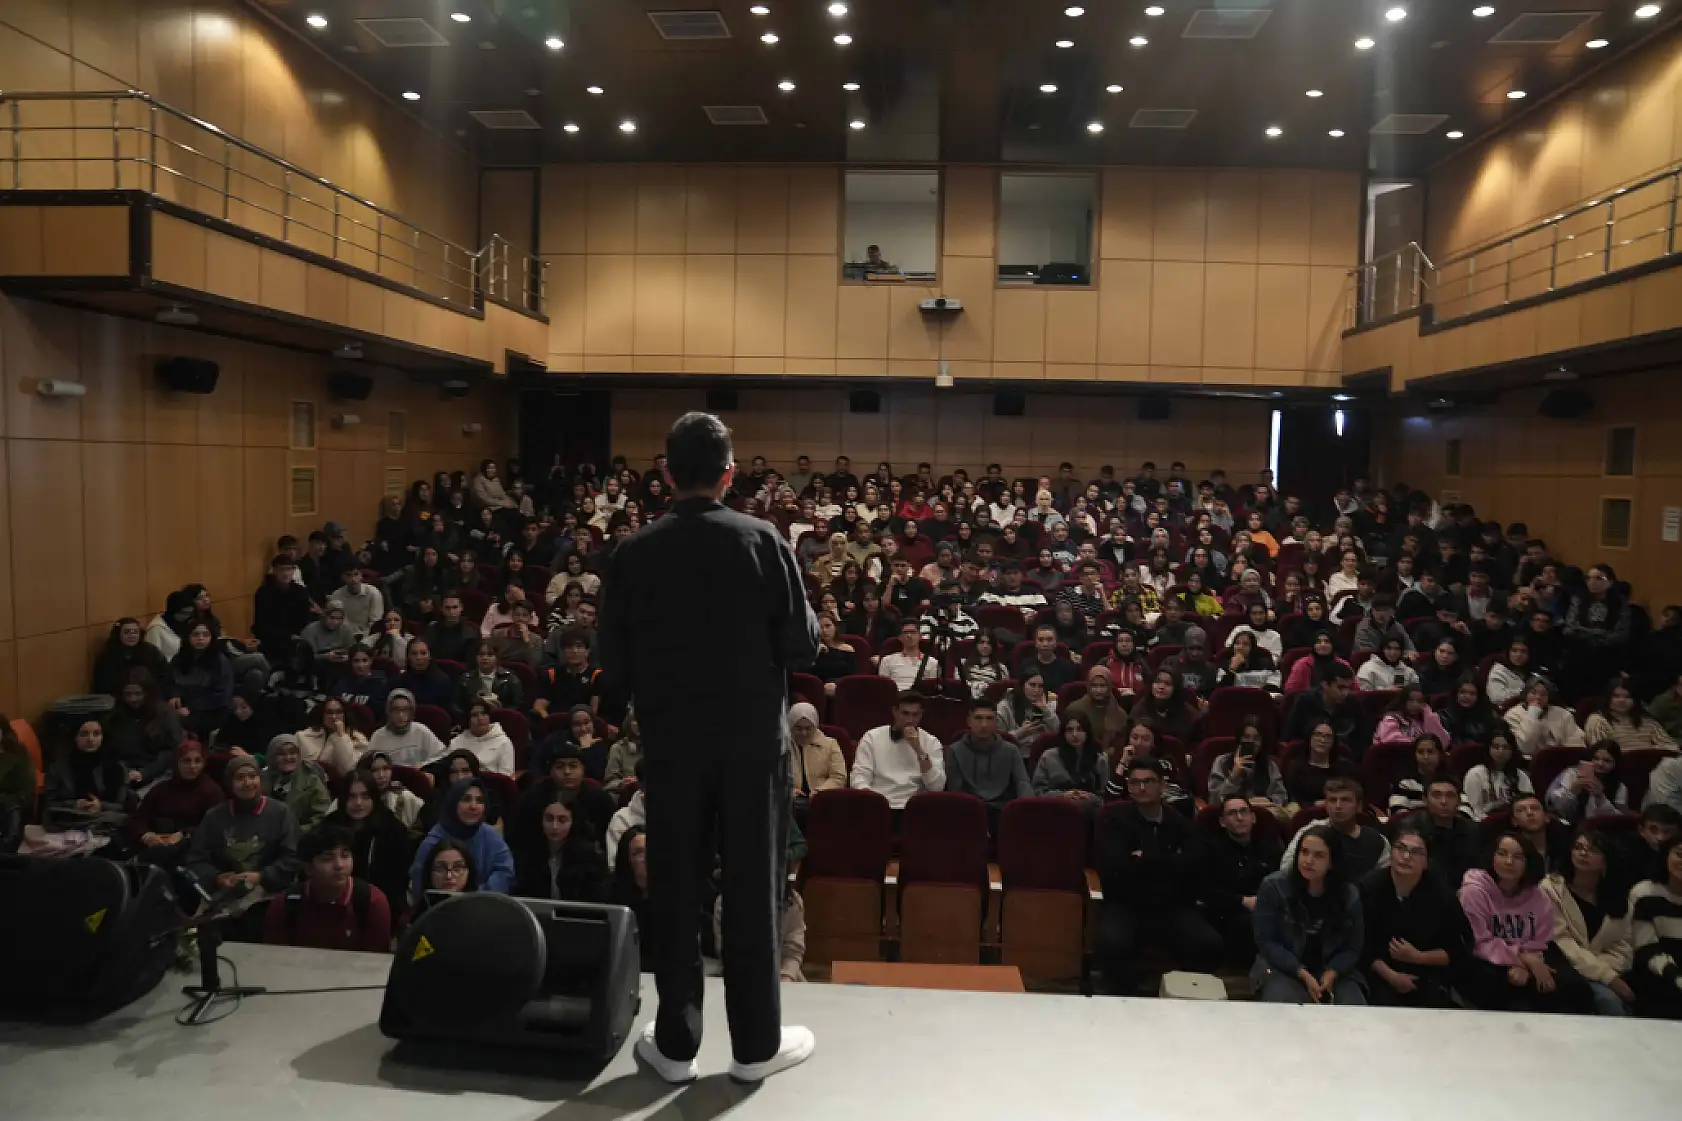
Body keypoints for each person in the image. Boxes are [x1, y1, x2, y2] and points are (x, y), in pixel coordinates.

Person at [599, 417, 820, 1079]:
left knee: (674, 887)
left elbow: (612, 668)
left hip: (672, 746)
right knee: (753, 889)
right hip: (752, 746)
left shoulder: (633, 551)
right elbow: (802, 646)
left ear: (667, 474)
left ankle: (675, 1046)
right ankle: (755, 1048)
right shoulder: (764, 540)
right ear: (729, 473)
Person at [1096, 756, 1223, 994]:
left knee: (1208, 943)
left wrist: (1146, 859)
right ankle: (1125, 998)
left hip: (1172, 905)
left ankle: (1183, 995)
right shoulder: (1113, 820)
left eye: (1149, 781)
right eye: (1135, 782)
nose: (1141, 788)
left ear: (1162, 785)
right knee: (1112, 944)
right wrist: (1170, 860)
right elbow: (1116, 866)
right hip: (1127, 904)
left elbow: (1195, 862)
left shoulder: (1180, 822)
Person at [1456, 832, 1594, 1013]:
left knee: (1575, 989)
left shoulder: (1538, 896)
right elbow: (1479, 942)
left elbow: (1540, 940)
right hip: (1485, 960)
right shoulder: (1474, 891)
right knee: (1513, 996)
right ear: (1492, 857)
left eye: (1517, 857)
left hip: (1531, 955)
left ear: (1528, 862)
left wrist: (1530, 965)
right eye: (1502, 854)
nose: (1508, 861)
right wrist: (1522, 960)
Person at [185, 755, 301, 938]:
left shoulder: (281, 813)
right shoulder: (214, 817)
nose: (247, 783)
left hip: (268, 893)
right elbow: (196, 860)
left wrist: (261, 876)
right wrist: (217, 878)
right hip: (223, 894)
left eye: (252, 776)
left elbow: (292, 858)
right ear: (229, 783)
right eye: (240, 778)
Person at [1358, 820, 1468, 1008]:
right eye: (1400, 848)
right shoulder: (1369, 888)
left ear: (1427, 862)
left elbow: (1457, 950)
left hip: (1428, 975)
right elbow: (1362, 947)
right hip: (1380, 975)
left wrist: (1418, 957)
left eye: (1416, 852)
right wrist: (1392, 977)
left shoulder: (1442, 895)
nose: (1406, 856)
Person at [1251, 825, 1366, 1004]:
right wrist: (1301, 973)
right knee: (1288, 1006)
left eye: (1319, 855)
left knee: (1354, 1008)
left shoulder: (1349, 894)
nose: (1308, 861)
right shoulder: (1273, 886)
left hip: (1332, 969)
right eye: (1304, 852)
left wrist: (1333, 971)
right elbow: (1266, 942)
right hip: (1282, 967)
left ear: (1332, 861)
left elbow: (1353, 947)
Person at [1542, 827, 1636, 1016]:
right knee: (1608, 1001)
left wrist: (1603, 972)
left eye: (1593, 850)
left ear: (1606, 861)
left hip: (1608, 970)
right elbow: (1563, 942)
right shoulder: (1550, 889)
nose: (1583, 853)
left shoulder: (1619, 899)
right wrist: (1607, 977)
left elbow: (1623, 947)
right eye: (1578, 847)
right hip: (1566, 967)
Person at [263, 825, 393, 952]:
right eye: (327, 859)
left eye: (345, 856)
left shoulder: (372, 901)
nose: (339, 865)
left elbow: (377, 960)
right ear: (308, 868)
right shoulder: (285, 904)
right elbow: (276, 957)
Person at [320, 769, 413, 920]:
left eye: (365, 796)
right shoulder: (329, 827)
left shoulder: (392, 829)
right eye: (352, 796)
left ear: (374, 798)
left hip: (379, 906)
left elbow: (399, 881)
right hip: (332, 904)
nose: (358, 803)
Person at [1201, 796, 1284, 964]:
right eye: (1232, 813)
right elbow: (1205, 890)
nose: (1239, 817)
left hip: (1267, 906)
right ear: (1222, 822)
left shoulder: (1269, 848)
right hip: (1229, 912)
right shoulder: (1210, 850)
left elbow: (1280, 882)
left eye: (1243, 811)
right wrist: (1242, 901)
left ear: (1253, 818)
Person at [410, 776, 515, 902]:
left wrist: (476, 897)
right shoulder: (433, 841)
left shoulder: (491, 835)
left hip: (486, 905)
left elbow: (505, 872)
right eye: (466, 799)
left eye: (480, 801)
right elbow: (419, 884)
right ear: (453, 803)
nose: (473, 806)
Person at [128, 739, 224, 866]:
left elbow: (216, 826)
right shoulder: (162, 790)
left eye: (197, 761)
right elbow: (138, 818)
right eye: (186, 761)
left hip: (192, 849)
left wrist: (184, 835)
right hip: (158, 842)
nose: (192, 766)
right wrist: (147, 835)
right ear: (176, 763)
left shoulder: (211, 791)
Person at [943, 699, 1032, 834]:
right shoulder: (955, 750)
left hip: (1003, 811)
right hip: (969, 812)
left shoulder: (1011, 750)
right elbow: (956, 790)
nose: (984, 725)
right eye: (978, 718)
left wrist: (1027, 809)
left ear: (996, 721)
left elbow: (1022, 783)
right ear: (969, 721)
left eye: (989, 719)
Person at [850, 691, 946, 812]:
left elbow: (937, 787)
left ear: (921, 714)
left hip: (915, 808)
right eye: (905, 714)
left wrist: (919, 750)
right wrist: (870, 799)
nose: (910, 720)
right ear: (894, 711)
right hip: (878, 805)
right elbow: (859, 776)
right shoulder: (872, 737)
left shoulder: (931, 742)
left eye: (915, 714)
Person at [1281, 777, 1390, 879]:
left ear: (1358, 806)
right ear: (1326, 805)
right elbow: (1285, 869)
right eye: (1332, 800)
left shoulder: (1376, 841)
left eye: (1345, 800)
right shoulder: (1310, 832)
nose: (1338, 806)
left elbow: (1385, 880)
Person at [512, 793, 609, 902]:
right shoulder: (527, 853)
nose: (554, 826)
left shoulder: (589, 856)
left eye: (562, 820)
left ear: (573, 822)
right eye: (549, 819)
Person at [1627, 834, 1682, 1019]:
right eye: (1679, 854)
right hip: (1656, 974)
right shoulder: (1644, 893)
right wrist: (1677, 978)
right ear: (1666, 855)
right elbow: (1646, 948)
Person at [42, 718, 131, 827]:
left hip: (105, 821)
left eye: (96, 734)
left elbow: (121, 805)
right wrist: (74, 805)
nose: (90, 739)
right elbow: (50, 803)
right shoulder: (58, 768)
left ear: (103, 737)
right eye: (84, 734)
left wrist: (101, 806)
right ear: (75, 737)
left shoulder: (116, 767)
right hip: (68, 821)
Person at [105, 668, 184, 783]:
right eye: (127, 694)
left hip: (158, 771)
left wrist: (145, 773)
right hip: (123, 770)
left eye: (138, 693)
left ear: (148, 693)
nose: (132, 699)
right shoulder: (115, 715)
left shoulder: (165, 714)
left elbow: (171, 751)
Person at [1283, 664, 1369, 757]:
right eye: (1340, 688)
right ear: (1325, 685)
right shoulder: (1305, 702)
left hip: (1343, 758)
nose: (1345, 693)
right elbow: (1292, 737)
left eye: (1348, 688)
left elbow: (1362, 739)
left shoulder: (1353, 704)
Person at [171, 621, 235, 740]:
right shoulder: (178, 659)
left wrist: (191, 708)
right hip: (183, 707)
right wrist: (175, 696)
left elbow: (221, 695)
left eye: (205, 635)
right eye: (195, 634)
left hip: (212, 710)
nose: (200, 638)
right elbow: (172, 682)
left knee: (179, 722)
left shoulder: (219, 661)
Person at [1207, 716, 1287, 810]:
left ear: (1262, 743)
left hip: (1261, 813)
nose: (1251, 742)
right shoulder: (1221, 762)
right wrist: (1234, 777)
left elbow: (1282, 796)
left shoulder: (1270, 766)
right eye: (1246, 737)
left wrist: (1268, 800)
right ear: (1239, 739)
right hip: (1231, 813)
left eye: (1256, 738)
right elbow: (1214, 801)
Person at [1031, 711, 1107, 806]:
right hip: (1055, 807)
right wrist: (1063, 796)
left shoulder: (1100, 760)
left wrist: (1089, 797)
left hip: (1089, 809)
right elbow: (1038, 792)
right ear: (1063, 733)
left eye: (1079, 729)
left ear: (1087, 732)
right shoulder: (1048, 757)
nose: (1074, 734)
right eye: (1069, 730)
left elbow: (1104, 797)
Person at [1546, 740, 1627, 824]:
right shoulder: (1572, 774)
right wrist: (1572, 791)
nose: (1600, 764)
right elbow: (1555, 806)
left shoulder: (1620, 787)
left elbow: (1620, 820)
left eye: (1607, 761)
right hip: (1570, 825)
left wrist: (1600, 798)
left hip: (1602, 828)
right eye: (1596, 758)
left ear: (1615, 763)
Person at [1283, 719, 1359, 808]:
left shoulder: (1346, 768)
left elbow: (1355, 796)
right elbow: (1293, 800)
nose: (1322, 740)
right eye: (1318, 735)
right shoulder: (1296, 768)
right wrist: (1314, 804)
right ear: (1310, 738)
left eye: (1328, 736)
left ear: (1333, 741)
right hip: (1307, 812)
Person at [262, 734, 331, 832]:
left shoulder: (312, 780)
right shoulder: (261, 779)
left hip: (303, 835)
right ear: (272, 757)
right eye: (281, 754)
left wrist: (295, 833)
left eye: (292, 752)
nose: (288, 757)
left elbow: (321, 815)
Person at [1583, 681, 1676, 754]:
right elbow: (1600, 753)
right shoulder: (1598, 720)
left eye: (1627, 697)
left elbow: (1672, 747)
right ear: (1608, 699)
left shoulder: (1648, 722)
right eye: (1616, 696)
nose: (1622, 700)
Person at [1504, 678, 1586, 758]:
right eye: (1533, 693)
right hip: (1531, 761)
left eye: (1543, 694)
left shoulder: (1562, 713)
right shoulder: (1512, 715)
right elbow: (1526, 747)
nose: (1538, 697)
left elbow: (1577, 741)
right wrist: (1532, 713)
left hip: (1563, 759)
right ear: (1525, 694)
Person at [1463, 730, 1534, 821]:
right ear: (1488, 749)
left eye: (1506, 747)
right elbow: (1473, 809)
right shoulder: (1475, 774)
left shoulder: (1520, 775)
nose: (1501, 751)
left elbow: (1529, 802)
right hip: (1483, 822)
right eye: (1496, 747)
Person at [787, 702, 845, 811]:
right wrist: (787, 791)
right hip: (789, 804)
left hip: (823, 802)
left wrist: (820, 791)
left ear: (815, 726)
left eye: (808, 728)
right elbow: (773, 778)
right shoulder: (782, 747)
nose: (804, 733)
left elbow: (839, 777)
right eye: (798, 728)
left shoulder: (830, 745)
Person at [366, 689, 446, 768]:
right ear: (389, 711)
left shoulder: (421, 731)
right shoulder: (378, 737)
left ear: (412, 711)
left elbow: (441, 755)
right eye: (395, 710)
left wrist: (424, 767)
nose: (400, 715)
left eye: (405, 710)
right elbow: (367, 766)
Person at [91, 618, 172, 696]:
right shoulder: (108, 655)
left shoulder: (150, 651)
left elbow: (164, 675)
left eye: (135, 632)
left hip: (150, 696)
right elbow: (102, 685)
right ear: (118, 634)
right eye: (127, 632)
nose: (132, 635)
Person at [1062, 665, 1130, 751]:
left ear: (1109, 686)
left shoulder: (1120, 714)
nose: (1098, 691)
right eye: (1094, 686)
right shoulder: (1074, 710)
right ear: (1088, 686)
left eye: (1102, 686)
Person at [1386, 732, 1456, 815]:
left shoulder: (1451, 782)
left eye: (1430, 752)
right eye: (1420, 752)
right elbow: (1397, 814)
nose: (1425, 756)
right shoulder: (1405, 783)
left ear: (1440, 755)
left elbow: (1465, 811)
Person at [296, 698, 366, 776]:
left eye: (339, 712)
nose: (334, 717)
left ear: (345, 715)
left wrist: (341, 736)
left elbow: (349, 769)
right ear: (322, 715)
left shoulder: (359, 739)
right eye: (329, 712)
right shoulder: (302, 736)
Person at [448, 699, 516, 776]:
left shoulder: (503, 742)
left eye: (483, 714)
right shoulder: (456, 742)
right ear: (468, 720)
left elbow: (506, 776)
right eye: (474, 715)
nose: (480, 718)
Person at [414, 838, 478, 914]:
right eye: (441, 868)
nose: (449, 876)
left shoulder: (481, 912)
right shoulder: (419, 916)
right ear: (429, 872)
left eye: (457, 867)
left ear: (469, 871)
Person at [877, 618, 942, 690]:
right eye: (905, 632)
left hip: (920, 695)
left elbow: (931, 689)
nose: (909, 635)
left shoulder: (932, 663)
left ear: (920, 636)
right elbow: (883, 688)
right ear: (900, 637)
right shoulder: (887, 660)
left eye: (913, 632)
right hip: (896, 695)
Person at [1439, 678, 1500, 746]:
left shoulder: (1488, 715)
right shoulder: (1445, 716)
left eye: (1472, 693)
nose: (1467, 697)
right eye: (1462, 692)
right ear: (1456, 694)